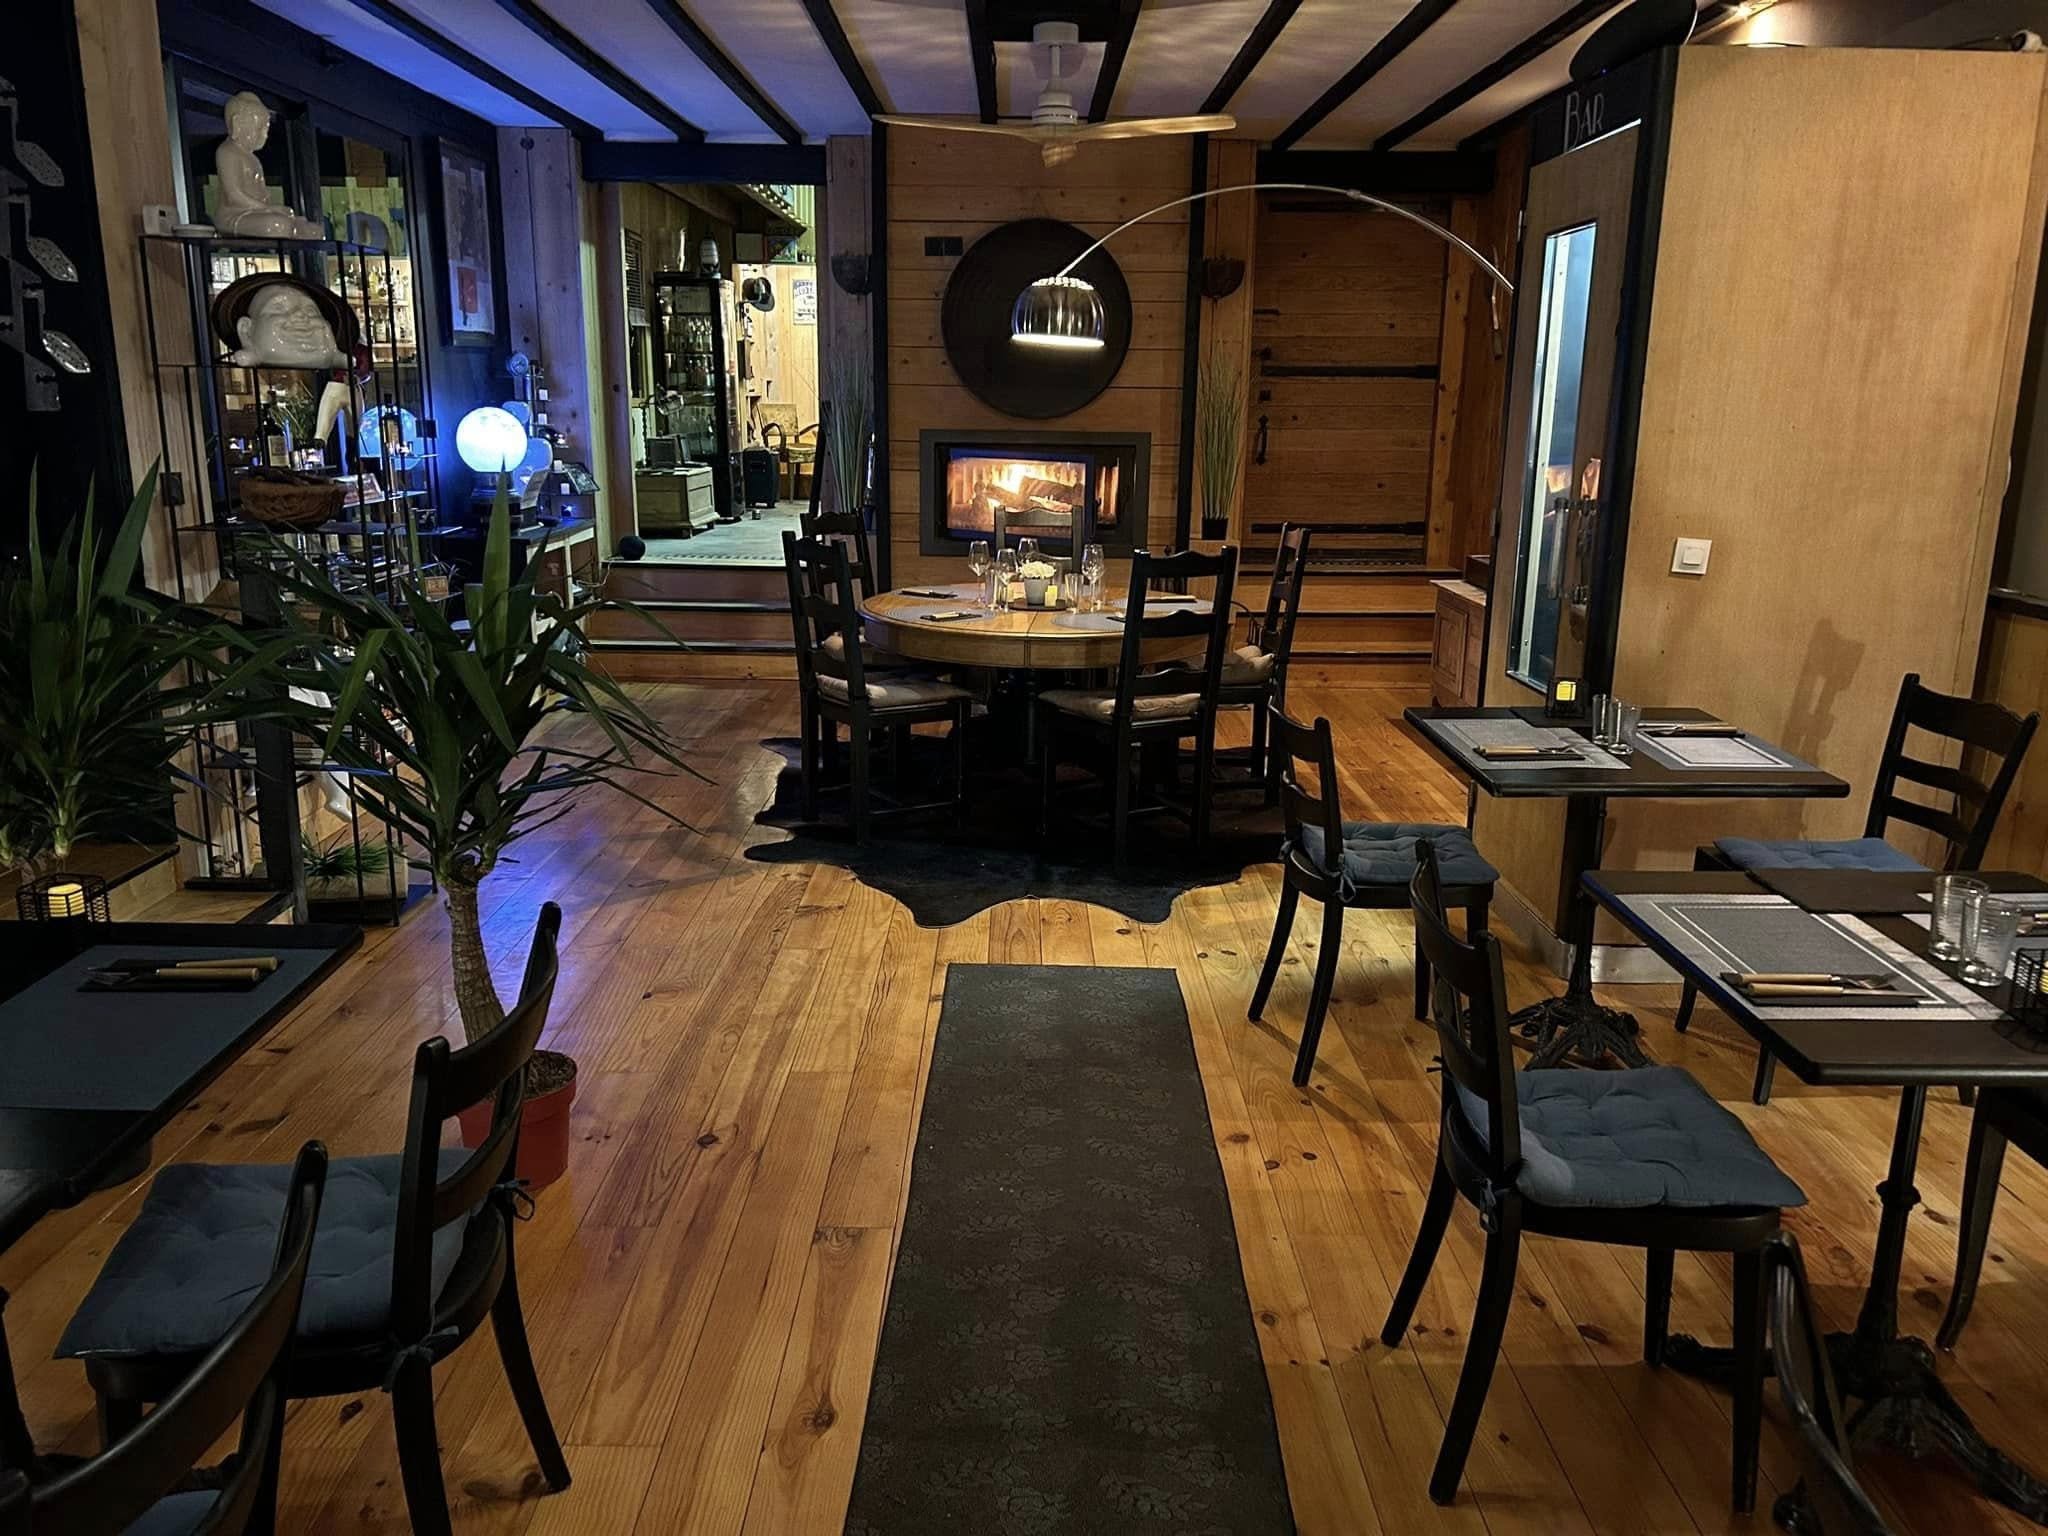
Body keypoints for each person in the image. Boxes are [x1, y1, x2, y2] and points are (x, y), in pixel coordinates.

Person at [214, 91, 322, 239]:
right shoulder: (227, 152)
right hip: (233, 215)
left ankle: (294, 229)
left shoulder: (253, 159)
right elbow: (234, 195)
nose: (264, 135)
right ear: (238, 123)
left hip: (257, 213)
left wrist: (273, 209)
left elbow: (263, 195)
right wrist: (267, 209)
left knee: (312, 228)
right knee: (277, 225)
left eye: (266, 129)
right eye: (259, 129)